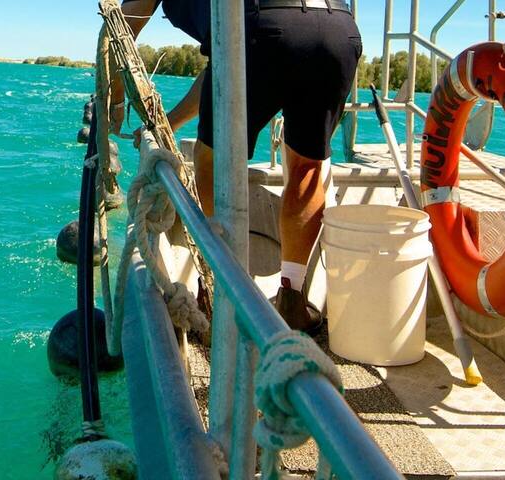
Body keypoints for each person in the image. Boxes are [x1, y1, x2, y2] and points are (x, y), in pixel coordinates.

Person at [117, 0, 360, 331]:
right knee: (308, 169)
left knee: (211, 160)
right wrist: (170, 122)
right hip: (337, 31)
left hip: (258, 29)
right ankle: (292, 300)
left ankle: (224, 292)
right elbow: (219, 69)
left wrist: (112, 110)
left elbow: (122, 29)